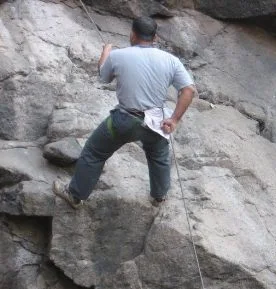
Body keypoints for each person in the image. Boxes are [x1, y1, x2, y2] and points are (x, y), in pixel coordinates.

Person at [53, 16, 196, 208]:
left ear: (133, 34)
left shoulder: (118, 55)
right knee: (159, 155)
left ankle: (75, 195)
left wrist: (106, 52)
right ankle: (159, 197)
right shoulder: (171, 61)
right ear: (155, 38)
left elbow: (104, 77)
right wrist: (174, 119)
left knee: (94, 152)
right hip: (155, 122)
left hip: (123, 121)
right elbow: (189, 90)